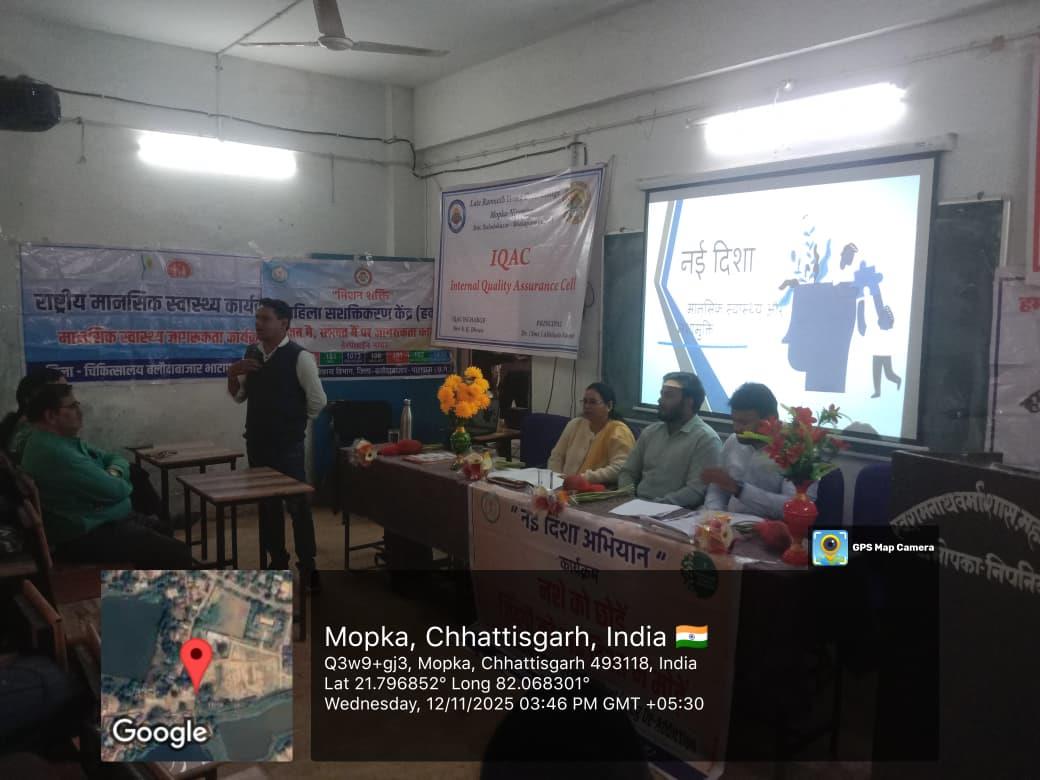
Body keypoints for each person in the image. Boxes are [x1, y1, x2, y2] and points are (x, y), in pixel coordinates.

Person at [19, 383, 193, 568]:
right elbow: (118, 490)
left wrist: (114, 472)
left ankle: (148, 580)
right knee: (178, 553)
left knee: (164, 531)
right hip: (84, 535)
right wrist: (116, 478)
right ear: (50, 416)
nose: (80, 412)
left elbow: (115, 458)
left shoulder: (56, 440)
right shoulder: (57, 453)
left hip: (99, 518)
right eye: (72, 406)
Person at [227, 298, 326, 588]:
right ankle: (277, 561)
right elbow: (239, 396)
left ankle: (308, 566)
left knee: (298, 507)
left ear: (283, 323)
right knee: (268, 508)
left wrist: (293, 423)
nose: (258, 323)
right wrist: (232, 373)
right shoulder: (252, 353)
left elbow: (318, 401)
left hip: (287, 447)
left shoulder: (300, 357)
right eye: (257, 318)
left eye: (265, 318)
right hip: (257, 444)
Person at [702, 382, 816, 518]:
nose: (736, 428)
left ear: (770, 420)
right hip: (729, 523)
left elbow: (794, 507)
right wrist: (714, 516)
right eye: (734, 420)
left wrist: (740, 490)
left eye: (744, 423)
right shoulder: (733, 441)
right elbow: (718, 488)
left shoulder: (796, 450)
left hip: (772, 528)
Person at [617, 372, 721, 508]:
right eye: (662, 394)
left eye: (669, 396)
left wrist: (653, 507)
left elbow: (695, 491)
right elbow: (628, 472)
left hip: (675, 514)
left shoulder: (706, 439)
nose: (660, 400)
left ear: (689, 401)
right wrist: (628, 499)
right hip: (635, 506)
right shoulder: (651, 432)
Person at [547, 382, 635, 485]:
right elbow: (556, 457)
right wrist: (556, 481)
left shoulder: (619, 431)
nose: (587, 406)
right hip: (563, 487)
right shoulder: (575, 424)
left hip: (594, 490)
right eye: (585, 401)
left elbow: (619, 468)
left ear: (609, 406)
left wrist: (584, 478)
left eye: (593, 402)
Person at [0, 367, 66, 462]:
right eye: (58, 392)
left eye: (66, 391)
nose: (65, 398)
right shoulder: (31, 432)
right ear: (29, 399)